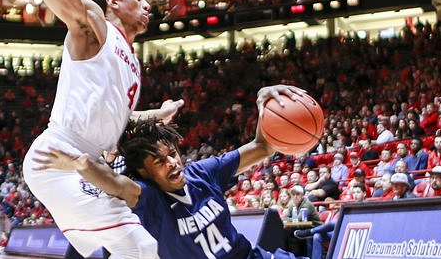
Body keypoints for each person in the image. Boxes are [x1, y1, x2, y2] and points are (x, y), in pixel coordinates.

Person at [22, 0, 183, 259]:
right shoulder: (94, 25)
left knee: (131, 241)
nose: (147, 5)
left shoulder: (131, 58)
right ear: (112, 2)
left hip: (87, 164)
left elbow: (118, 117)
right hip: (59, 158)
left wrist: (157, 113)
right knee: (142, 247)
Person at [33, 85, 308, 259]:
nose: (174, 163)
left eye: (173, 154)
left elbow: (262, 147)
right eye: (161, 161)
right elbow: (115, 184)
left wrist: (266, 104)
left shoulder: (204, 173)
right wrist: (81, 165)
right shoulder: (149, 199)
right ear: (143, 170)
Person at [292, 183, 366, 259]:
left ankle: (310, 231)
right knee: (317, 236)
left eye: (358, 192)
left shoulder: (369, 205)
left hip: (357, 234)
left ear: (364, 194)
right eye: (353, 193)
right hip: (342, 232)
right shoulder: (349, 206)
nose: (355, 195)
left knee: (335, 222)